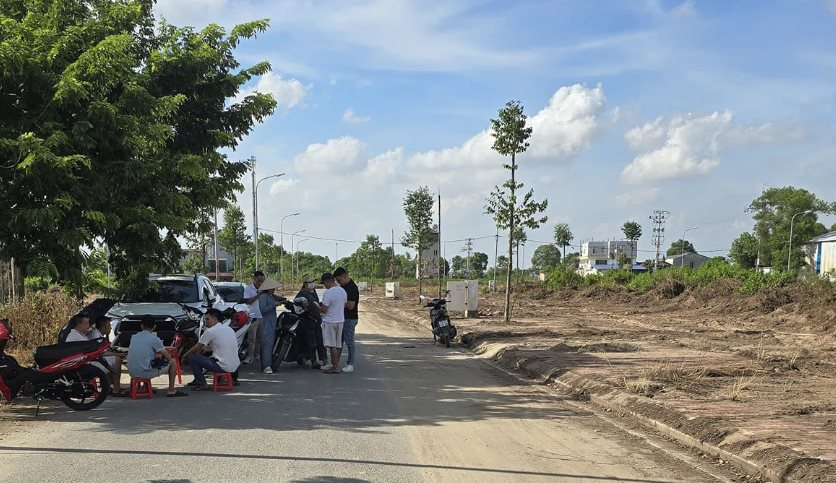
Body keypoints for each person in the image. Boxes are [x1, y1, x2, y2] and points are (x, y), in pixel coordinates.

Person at [126, 316, 187, 397]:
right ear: (154, 327)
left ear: (141, 326)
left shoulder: (134, 337)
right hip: (144, 373)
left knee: (148, 361)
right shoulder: (154, 339)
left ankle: (145, 387)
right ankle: (171, 390)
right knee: (173, 362)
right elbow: (168, 357)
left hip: (132, 372)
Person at [182, 308, 241, 390]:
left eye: (207, 319)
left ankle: (202, 383)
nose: (205, 322)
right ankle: (198, 379)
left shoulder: (211, 331)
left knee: (192, 357)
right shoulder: (229, 329)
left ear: (215, 319)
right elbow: (223, 346)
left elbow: (197, 347)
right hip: (234, 365)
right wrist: (208, 349)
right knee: (200, 355)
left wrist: (185, 356)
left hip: (222, 365)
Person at [88, 315, 125, 396]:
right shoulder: (95, 336)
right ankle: (116, 389)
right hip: (92, 362)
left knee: (112, 360)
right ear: (102, 326)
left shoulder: (96, 333)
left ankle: (107, 387)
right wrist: (117, 354)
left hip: (93, 359)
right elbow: (100, 353)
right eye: (109, 325)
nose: (111, 328)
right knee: (117, 359)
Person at [318, 272, 347, 374]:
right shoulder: (342, 291)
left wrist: (317, 307)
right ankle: (336, 364)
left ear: (327, 282)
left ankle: (334, 367)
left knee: (332, 345)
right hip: (340, 320)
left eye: (324, 283)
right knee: (338, 345)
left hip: (330, 321)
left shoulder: (328, 293)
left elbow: (324, 309)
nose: (324, 286)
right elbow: (344, 305)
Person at [295, 274, 326, 366]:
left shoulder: (313, 291)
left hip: (317, 319)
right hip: (308, 320)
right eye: (311, 282)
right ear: (305, 284)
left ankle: (324, 359)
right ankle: (314, 361)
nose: (313, 283)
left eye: (313, 281)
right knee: (311, 341)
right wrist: (302, 300)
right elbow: (295, 301)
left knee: (319, 339)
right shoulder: (302, 293)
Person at [334, 267, 359, 373]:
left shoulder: (352, 288)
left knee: (349, 342)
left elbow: (351, 306)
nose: (339, 283)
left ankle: (350, 364)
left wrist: (337, 302)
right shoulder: (343, 287)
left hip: (350, 318)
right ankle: (335, 363)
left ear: (344, 276)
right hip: (342, 317)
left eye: (339, 280)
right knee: (339, 342)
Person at [257, 277, 282, 374]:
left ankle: (267, 364)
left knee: (270, 343)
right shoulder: (263, 296)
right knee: (267, 343)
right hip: (267, 321)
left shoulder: (270, 295)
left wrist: (283, 300)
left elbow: (277, 298)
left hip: (271, 321)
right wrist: (274, 305)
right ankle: (266, 366)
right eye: (272, 288)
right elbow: (263, 309)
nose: (274, 289)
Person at [242, 271, 265, 364]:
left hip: (262, 317)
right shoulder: (248, 289)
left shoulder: (264, 289)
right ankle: (249, 356)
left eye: (262, 281)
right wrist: (258, 294)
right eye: (259, 281)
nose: (260, 283)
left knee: (259, 338)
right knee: (251, 339)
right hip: (252, 317)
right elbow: (248, 301)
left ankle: (257, 356)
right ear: (254, 279)